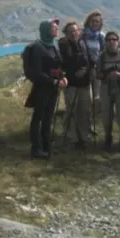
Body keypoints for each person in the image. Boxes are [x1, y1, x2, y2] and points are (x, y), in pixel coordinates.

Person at [25, 19, 67, 159]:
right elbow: (37, 72)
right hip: (42, 88)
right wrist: (54, 81)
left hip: (53, 88)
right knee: (39, 118)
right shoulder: (38, 48)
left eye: (56, 27)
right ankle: (36, 149)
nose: (56, 29)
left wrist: (62, 77)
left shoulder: (52, 46)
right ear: (45, 30)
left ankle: (46, 146)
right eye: (54, 27)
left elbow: (57, 66)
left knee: (48, 118)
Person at [58, 21, 94, 149]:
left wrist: (86, 70)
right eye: (70, 31)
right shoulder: (62, 46)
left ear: (79, 31)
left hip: (85, 83)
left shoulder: (83, 44)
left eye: (75, 30)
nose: (73, 33)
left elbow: (89, 61)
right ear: (66, 34)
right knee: (71, 111)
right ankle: (72, 136)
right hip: (71, 84)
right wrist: (70, 74)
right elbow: (61, 65)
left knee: (85, 110)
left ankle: (84, 136)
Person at [97, 30, 120, 151]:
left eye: (114, 39)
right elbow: (97, 74)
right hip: (106, 87)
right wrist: (107, 75)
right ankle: (108, 138)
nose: (111, 42)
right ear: (105, 42)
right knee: (106, 114)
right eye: (109, 39)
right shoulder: (101, 56)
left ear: (118, 41)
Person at [81, 10, 106, 133]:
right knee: (87, 99)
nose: (94, 23)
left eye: (97, 21)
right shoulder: (82, 35)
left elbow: (104, 53)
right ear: (88, 21)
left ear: (100, 23)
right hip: (85, 70)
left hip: (97, 71)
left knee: (96, 99)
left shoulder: (102, 37)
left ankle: (91, 124)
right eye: (92, 21)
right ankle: (85, 126)